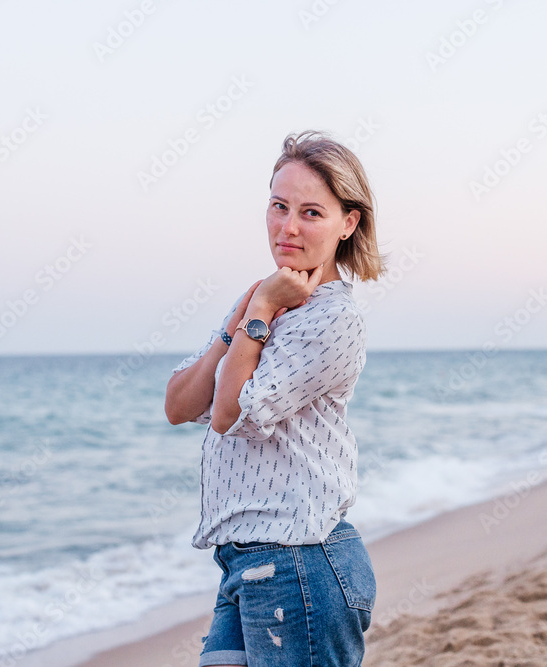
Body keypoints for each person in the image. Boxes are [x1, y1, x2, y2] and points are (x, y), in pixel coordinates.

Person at [164, 130, 386, 666]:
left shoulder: (333, 318)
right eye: (279, 206)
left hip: (301, 565)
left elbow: (226, 414)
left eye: (311, 212)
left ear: (348, 222)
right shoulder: (267, 303)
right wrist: (240, 324)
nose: (288, 227)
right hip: (245, 560)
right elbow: (178, 405)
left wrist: (259, 310)